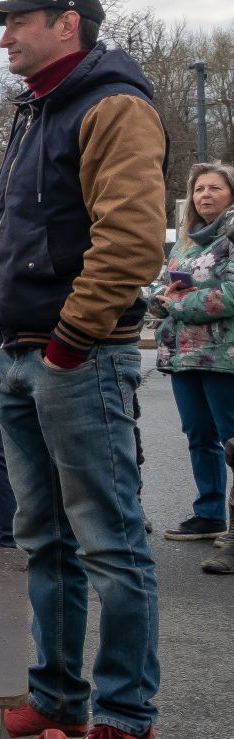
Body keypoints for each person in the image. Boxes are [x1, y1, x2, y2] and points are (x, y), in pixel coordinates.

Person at [0, 0, 166, 739]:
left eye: (17, 23)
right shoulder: (37, 109)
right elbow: (12, 236)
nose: (5, 37)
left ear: (67, 22)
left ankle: (127, 722)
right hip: (23, 352)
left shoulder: (110, 105)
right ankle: (57, 696)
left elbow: (131, 239)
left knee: (110, 544)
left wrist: (68, 345)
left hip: (74, 357)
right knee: (43, 541)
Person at [147, 162, 234, 552]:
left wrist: (178, 305)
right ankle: (210, 512)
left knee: (232, 440)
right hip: (183, 356)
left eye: (214, 188)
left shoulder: (230, 236)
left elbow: (229, 295)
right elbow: (163, 288)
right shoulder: (185, 242)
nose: (205, 195)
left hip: (222, 355)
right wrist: (160, 301)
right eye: (199, 189)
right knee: (200, 436)